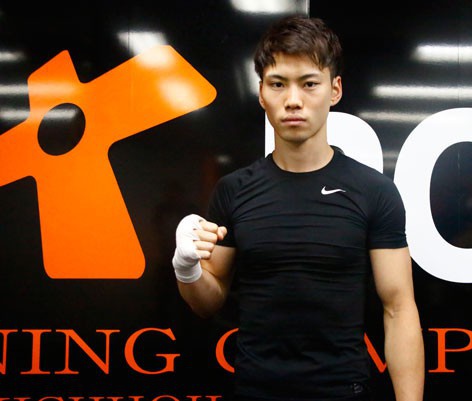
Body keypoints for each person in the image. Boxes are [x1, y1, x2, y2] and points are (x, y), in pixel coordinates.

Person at [171, 15, 424, 401]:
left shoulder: (374, 192)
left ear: (334, 90)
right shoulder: (233, 191)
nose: (293, 100)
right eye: (278, 84)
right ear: (261, 93)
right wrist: (186, 267)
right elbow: (209, 302)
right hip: (256, 392)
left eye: (309, 84)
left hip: (343, 392)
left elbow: (399, 309)